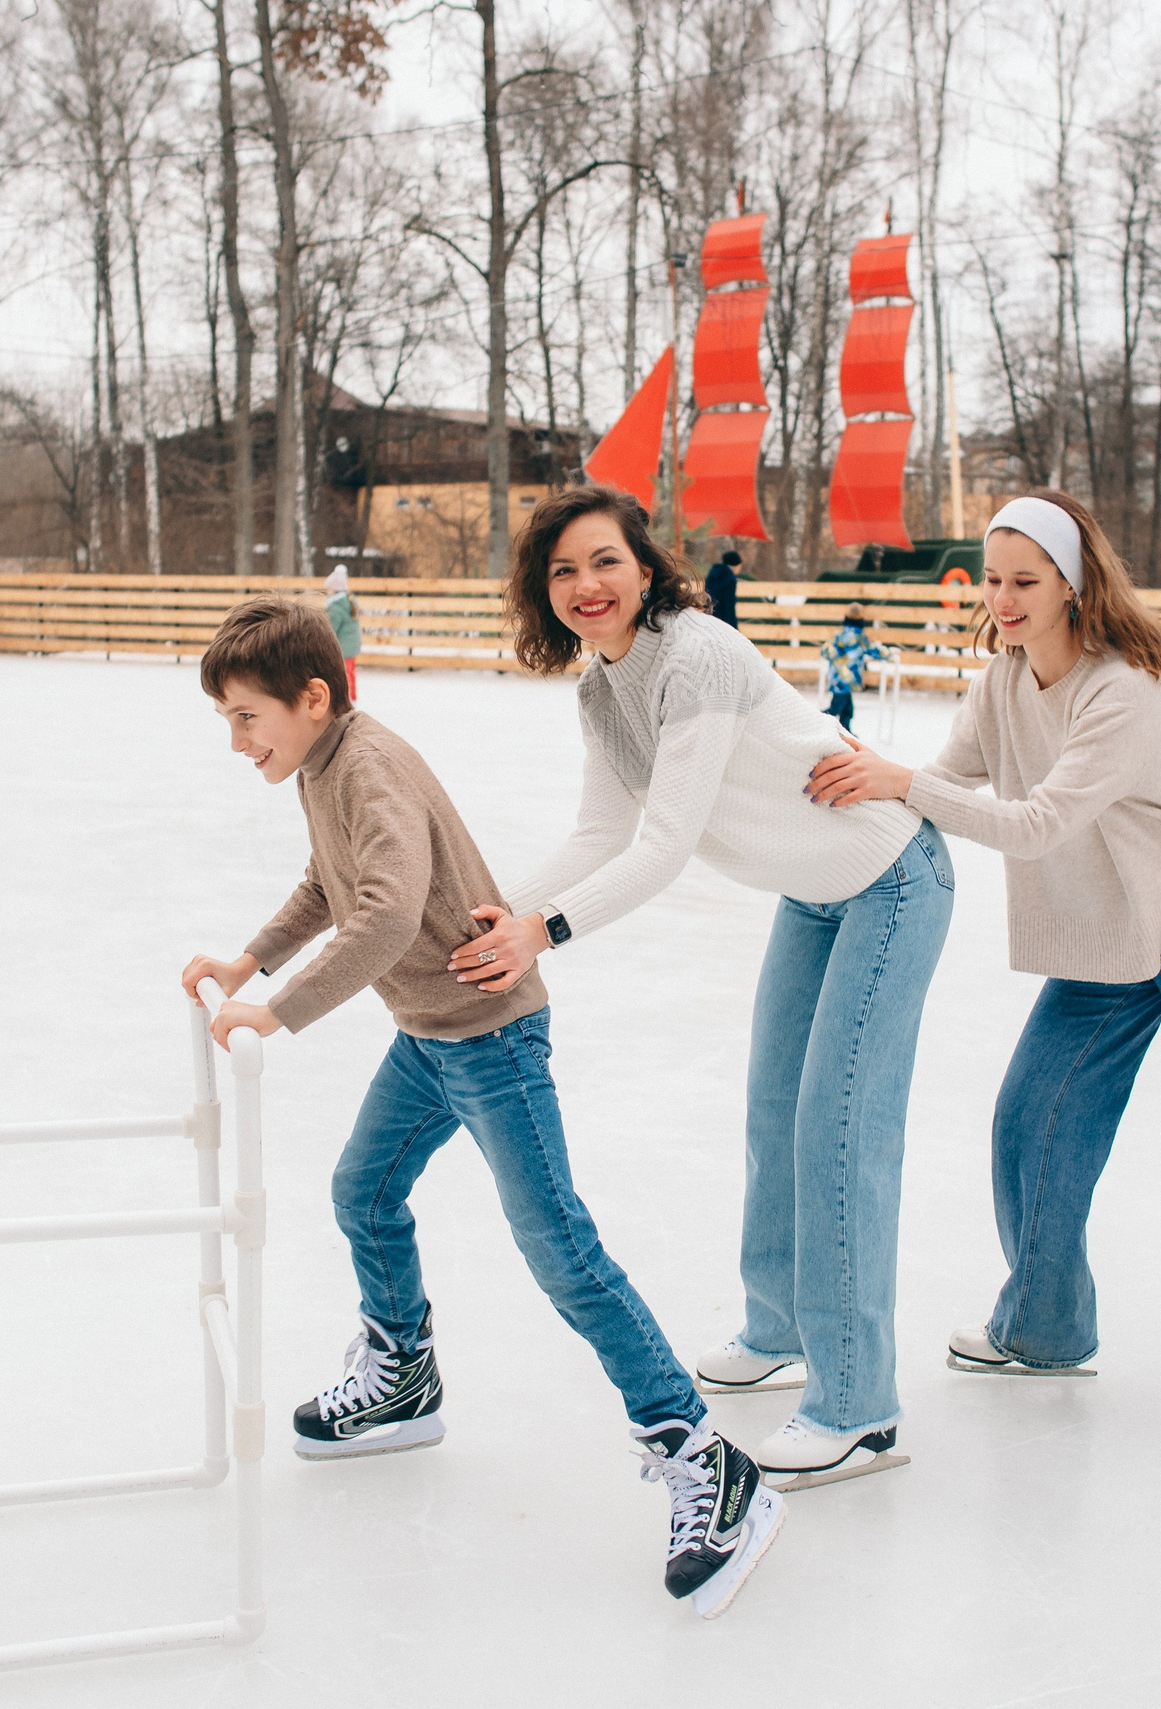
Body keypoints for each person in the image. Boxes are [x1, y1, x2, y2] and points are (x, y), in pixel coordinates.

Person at [180, 595, 782, 1619]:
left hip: (489, 1032)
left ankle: (703, 1451)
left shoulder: (365, 765)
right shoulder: (324, 764)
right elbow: (331, 883)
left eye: (246, 717)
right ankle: (404, 1370)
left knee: (560, 1248)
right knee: (362, 1188)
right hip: (430, 1034)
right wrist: (249, 956)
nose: (236, 740)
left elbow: (386, 913)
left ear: (311, 698)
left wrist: (274, 1011)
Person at [805, 491, 1161, 1451]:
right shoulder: (1000, 684)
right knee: (1031, 1122)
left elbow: (1038, 821)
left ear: (1072, 583)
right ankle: (1044, 1327)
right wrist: (867, 779)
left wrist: (904, 782)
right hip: (1109, 937)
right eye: (993, 580)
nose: (1004, 599)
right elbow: (946, 782)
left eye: (1025, 581)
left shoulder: (1121, 688)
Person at [453, 485, 953, 1492]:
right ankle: (777, 1326)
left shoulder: (699, 656)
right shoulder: (603, 688)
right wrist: (489, 910)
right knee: (775, 1113)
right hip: (812, 898)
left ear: (646, 567)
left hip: (890, 879)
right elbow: (600, 832)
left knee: (837, 1130)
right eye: (561, 571)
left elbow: (664, 843)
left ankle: (860, 1408)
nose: (586, 585)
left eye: (604, 561)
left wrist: (541, 933)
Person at [818, 604, 884, 733]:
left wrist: (838, 658)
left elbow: (825, 651)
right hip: (848, 679)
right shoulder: (861, 638)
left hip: (837, 677)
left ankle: (845, 731)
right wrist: (888, 654)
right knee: (835, 709)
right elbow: (874, 651)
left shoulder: (838, 635)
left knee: (847, 708)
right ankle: (818, 724)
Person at [324, 564, 362, 699]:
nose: (327, 591)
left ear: (335, 590)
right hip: (352, 645)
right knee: (350, 672)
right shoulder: (349, 600)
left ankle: (346, 699)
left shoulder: (335, 606)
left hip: (343, 647)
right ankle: (353, 696)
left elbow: (331, 629)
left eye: (328, 589)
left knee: (343, 674)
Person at [704, 549, 742, 627]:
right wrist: (733, 627)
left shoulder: (712, 574)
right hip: (723, 620)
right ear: (736, 565)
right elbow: (729, 605)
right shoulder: (730, 579)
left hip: (710, 617)